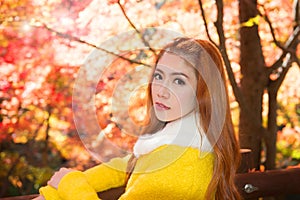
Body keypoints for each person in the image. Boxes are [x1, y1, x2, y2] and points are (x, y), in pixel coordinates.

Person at [34, 38, 241, 200]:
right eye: (159, 76)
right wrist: (55, 191)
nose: (161, 91)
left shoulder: (176, 168)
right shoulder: (184, 145)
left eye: (178, 81)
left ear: (203, 93)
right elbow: (126, 165)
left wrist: (69, 183)